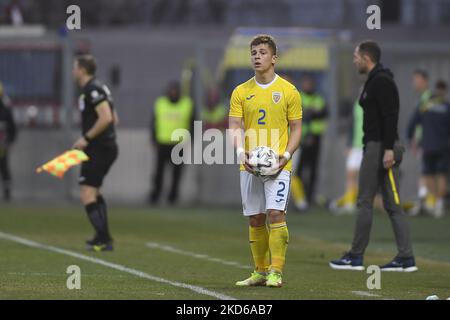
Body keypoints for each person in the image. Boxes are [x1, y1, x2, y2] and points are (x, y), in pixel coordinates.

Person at [329, 41, 417, 272]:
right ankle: (404, 258)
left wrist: (388, 149)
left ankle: (356, 256)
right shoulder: (373, 81)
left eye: (356, 56)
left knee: (368, 201)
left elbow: (391, 116)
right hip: (376, 146)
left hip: (381, 147)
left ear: (367, 58)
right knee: (388, 204)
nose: (354, 60)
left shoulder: (381, 81)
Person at [229, 35, 302, 287]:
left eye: (262, 52)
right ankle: (260, 271)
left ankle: (276, 272)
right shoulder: (240, 91)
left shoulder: (288, 91)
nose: (256, 57)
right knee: (255, 218)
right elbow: (235, 126)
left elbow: (297, 129)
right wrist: (241, 153)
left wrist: (285, 156)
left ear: (274, 58)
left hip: (279, 165)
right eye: (253, 53)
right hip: (249, 164)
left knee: (275, 213)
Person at [72, 54, 119, 252]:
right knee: (93, 192)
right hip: (103, 147)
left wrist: (87, 138)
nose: (73, 71)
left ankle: (103, 239)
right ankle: (103, 237)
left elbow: (107, 118)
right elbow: (115, 119)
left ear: (82, 69)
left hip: (98, 148)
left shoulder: (92, 89)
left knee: (86, 192)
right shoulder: (98, 88)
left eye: (75, 67)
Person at [407, 80, 450, 218]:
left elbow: (413, 122)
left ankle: (434, 201)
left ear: (435, 90)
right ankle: (439, 203)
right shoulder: (447, 107)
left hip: (427, 146)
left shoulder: (425, 106)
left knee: (427, 175)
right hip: (443, 146)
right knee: (441, 175)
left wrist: (410, 138)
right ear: (445, 91)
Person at [149, 81, 193, 205]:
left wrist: (190, 140)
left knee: (176, 174)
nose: (173, 93)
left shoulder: (187, 104)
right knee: (158, 173)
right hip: (162, 142)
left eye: (175, 91)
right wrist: (153, 139)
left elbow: (192, 123)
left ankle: (172, 198)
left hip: (179, 144)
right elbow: (154, 122)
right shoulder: (160, 103)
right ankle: (155, 195)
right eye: (171, 90)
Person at [293, 74, 327, 210]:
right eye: (305, 83)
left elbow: (322, 113)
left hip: (315, 138)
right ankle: (300, 199)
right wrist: (310, 113)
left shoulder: (318, 98)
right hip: (301, 138)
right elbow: (301, 114)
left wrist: (309, 113)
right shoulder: (298, 96)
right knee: (299, 170)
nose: (307, 86)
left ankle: (309, 196)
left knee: (313, 169)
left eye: (309, 84)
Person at [406, 69, 433, 214]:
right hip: (425, 141)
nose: (414, 83)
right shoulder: (423, 97)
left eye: (417, 79)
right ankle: (427, 202)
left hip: (426, 142)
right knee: (426, 171)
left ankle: (425, 204)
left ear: (425, 81)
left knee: (426, 172)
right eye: (413, 79)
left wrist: (416, 139)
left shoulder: (428, 98)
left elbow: (422, 123)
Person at [329, 99, 363, 214]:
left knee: (364, 178)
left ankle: (360, 202)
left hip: (368, 146)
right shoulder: (357, 104)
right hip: (355, 146)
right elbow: (352, 124)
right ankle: (350, 203)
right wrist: (349, 143)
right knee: (350, 174)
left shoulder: (375, 105)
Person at [0, 82, 17, 201]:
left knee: (4, 167)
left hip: (2, 145)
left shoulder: (5, 110)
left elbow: (12, 127)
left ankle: (7, 193)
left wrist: (10, 140)